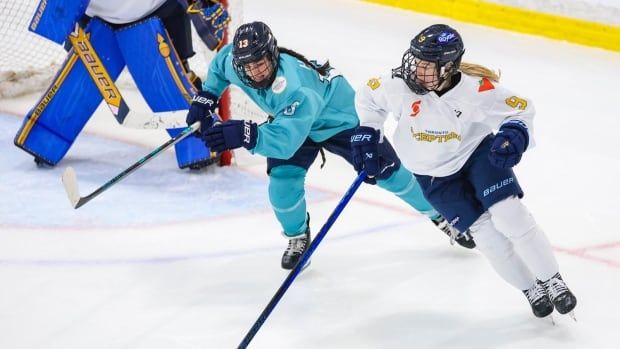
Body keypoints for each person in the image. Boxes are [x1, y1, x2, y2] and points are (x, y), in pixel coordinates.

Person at [186, 21, 476, 270]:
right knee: (282, 186)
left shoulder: (296, 86)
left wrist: (248, 135)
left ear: (273, 55)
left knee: (390, 174)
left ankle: (440, 213)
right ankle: (298, 236)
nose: (255, 72)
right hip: (292, 119)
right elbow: (220, 68)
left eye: (260, 63)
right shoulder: (234, 62)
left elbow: (285, 143)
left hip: (340, 119)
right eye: (247, 66)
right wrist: (208, 94)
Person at [352, 24, 577, 318]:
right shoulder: (399, 85)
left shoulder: (476, 89)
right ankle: (530, 287)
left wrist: (514, 133)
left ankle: (553, 279)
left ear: (448, 66)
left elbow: (521, 109)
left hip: (476, 156)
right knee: (487, 237)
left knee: (510, 214)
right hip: (432, 175)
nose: (417, 71)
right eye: (416, 61)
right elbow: (368, 95)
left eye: (427, 65)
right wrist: (367, 131)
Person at [14, 0, 229, 170]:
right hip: (100, 22)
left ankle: (200, 143)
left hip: (152, 18)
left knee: (169, 90)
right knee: (75, 89)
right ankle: (46, 138)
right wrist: (64, 19)